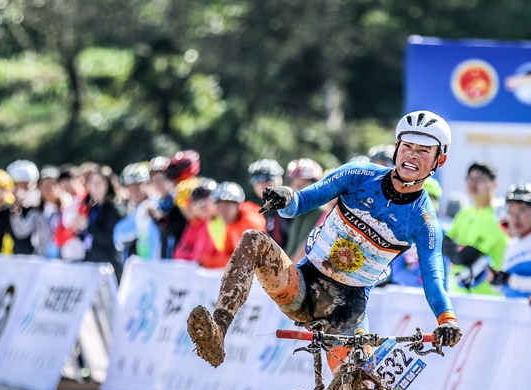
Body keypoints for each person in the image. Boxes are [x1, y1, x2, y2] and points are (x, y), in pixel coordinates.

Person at [186, 109, 462, 369]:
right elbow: (301, 202)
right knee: (253, 240)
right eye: (407, 147)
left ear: (440, 160)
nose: (412, 156)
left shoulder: (424, 221)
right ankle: (218, 330)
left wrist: (446, 319)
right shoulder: (357, 175)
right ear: (397, 148)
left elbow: (433, 275)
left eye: (424, 151)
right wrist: (285, 197)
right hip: (302, 286)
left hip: (346, 312)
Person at [443, 161, 508, 296]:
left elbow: (467, 256)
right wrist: (457, 251)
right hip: (459, 292)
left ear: (494, 183)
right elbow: (443, 244)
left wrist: (456, 252)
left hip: (488, 296)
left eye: (479, 179)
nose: (473, 183)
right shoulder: (466, 212)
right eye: (470, 179)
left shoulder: (498, 214)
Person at [201, 182, 266, 269]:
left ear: (238, 204)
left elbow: (248, 261)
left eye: (226, 207)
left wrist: (209, 263)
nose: (223, 212)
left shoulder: (250, 223)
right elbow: (227, 253)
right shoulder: (231, 223)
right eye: (219, 208)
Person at [84, 168, 125, 280]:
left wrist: (87, 226)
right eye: (92, 183)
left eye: (99, 183)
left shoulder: (115, 209)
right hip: (93, 264)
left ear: (107, 184)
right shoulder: (93, 208)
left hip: (109, 266)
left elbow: (108, 238)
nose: (95, 187)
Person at [114, 162, 162, 261]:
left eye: (138, 186)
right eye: (130, 188)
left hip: (156, 265)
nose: (134, 191)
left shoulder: (154, 204)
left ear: (147, 184)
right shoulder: (136, 208)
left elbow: (120, 232)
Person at [173, 179, 226, 267]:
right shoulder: (204, 223)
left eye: (207, 199)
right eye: (197, 202)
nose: (202, 205)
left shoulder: (226, 222)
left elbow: (234, 257)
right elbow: (179, 254)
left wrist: (204, 261)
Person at [283, 158, 326, 262]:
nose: (298, 190)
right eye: (295, 185)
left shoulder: (321, 211)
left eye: (302, 186)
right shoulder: (296, 210)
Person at [6, 159, 49, 255]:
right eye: (21, 184)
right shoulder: (9, 209)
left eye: (28, 183)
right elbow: (20, 232)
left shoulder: (41, 205)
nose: (25, 188)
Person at [248, 159, 289, 249]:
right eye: (257, 181)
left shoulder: (291, 204)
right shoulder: (269, 212)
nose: (263, 185)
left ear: (280, 178)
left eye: (268, 178)